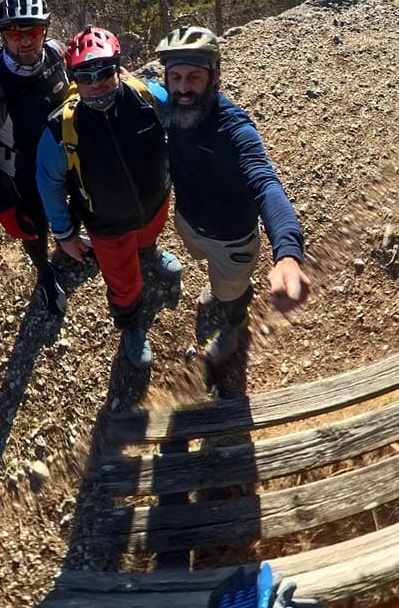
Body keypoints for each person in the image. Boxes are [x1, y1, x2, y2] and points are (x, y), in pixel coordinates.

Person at [150, 25, 310, 361]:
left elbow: (265, 182)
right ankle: (223, 290)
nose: (183, 89)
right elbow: (142, 88)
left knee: (232, 291)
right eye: (175, 77)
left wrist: (288, 254)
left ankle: (234, 326)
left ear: (214, 76)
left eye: (194, 77)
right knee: (215, 275)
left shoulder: (235, 128)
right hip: (190, 222)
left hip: (232, 239)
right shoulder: (170, 105)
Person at [35, 26, 181, 368]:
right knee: (123, 283)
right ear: (74, 77)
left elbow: (182, 125)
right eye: (86, 75)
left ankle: (149, 253)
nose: (96, 82)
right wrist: (65, 233)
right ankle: (131, 324)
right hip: (106, 225)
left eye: (104, 71)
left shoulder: (148, 97)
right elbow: (49, 182)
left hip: (155, 202)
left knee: (148, 237)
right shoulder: (63, 128)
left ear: (118, 67)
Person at [0, 0, 70, 317]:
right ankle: (44, 274)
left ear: (45, 31)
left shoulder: (56, 57)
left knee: (72, 207)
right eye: (15, 33)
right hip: (21, 175)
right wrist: (2, 206)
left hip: (64, 160)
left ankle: (69, 242)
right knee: (35, 229)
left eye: (33, 32)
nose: (25, 41)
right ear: (4, 36)